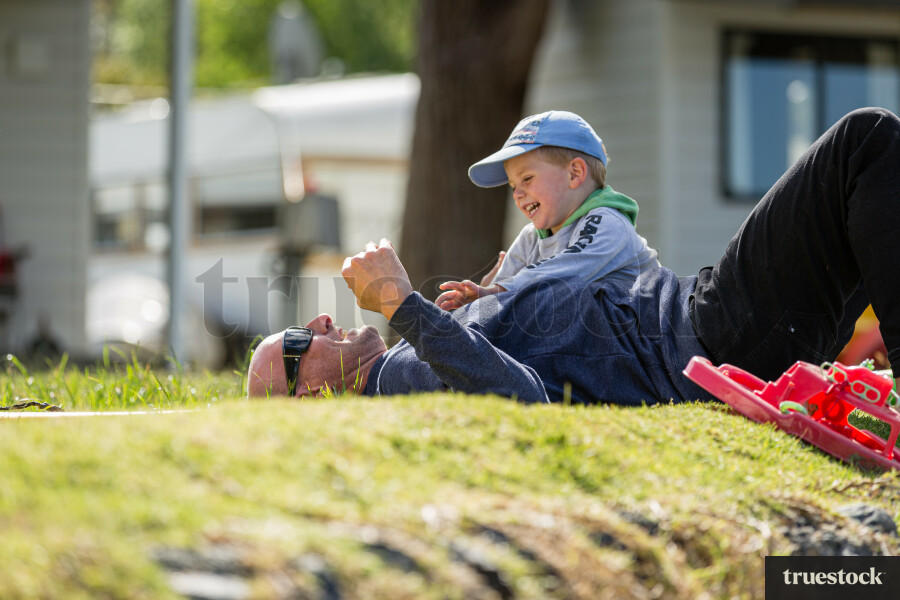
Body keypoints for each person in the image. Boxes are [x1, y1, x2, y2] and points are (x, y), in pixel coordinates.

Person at [248, 107, 900, 405]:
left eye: (306, 328)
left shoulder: (413, 355)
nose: (322, 323)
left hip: (712, 318)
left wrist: (460, 309)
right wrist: (401, 302)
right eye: (301, 345)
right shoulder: (399, 380)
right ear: (309, 398)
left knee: (863, 188)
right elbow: (520, 393)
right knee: (862, 144)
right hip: (710, 338)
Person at [435, 111, 659, 311]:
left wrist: (495, 291)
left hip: (645, 341)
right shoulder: (530, 237)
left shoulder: (609, 222)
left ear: (574, 174)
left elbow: (564, 273)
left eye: (527, 179)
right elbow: (498, 296)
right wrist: (476, 297)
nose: (517, 194)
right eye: (513, 186)